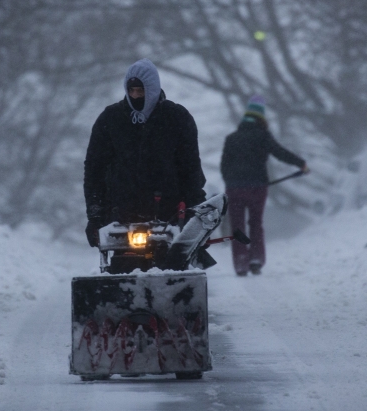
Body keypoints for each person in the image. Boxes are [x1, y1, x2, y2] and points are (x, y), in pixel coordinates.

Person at [83, 59, 207, 246]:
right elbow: (94, 168)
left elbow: (190, 168)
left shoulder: (176, 118)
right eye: (131, 91)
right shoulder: (111, 119)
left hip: (168, 214)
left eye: (141, 91)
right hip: (121, 214)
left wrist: (194, 213)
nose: (135, 96)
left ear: (152, 90)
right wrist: (95, 215)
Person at [220, 96, 308, 276]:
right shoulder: (263, 136)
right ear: (261, 117)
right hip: (257, 188)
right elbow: (280, 152)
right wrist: (301, 164)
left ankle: (240, 263)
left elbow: (224, 165)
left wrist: (231, 182)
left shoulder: (231, 138)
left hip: (235, 188)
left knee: (237, 226)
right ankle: (255, 259)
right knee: (256, 223)